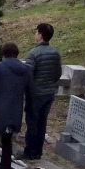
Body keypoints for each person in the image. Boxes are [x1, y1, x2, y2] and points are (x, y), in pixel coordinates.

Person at [23, 22, 62, 160]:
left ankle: (29, 152)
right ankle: (38, 152)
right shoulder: (55, 53)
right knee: (42, 123)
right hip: (49, 93)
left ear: (40, 35)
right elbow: (58, 74)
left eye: (36, 32)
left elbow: (28, 74)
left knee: (32, 122)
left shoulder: (34, 53)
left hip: (35, 94)